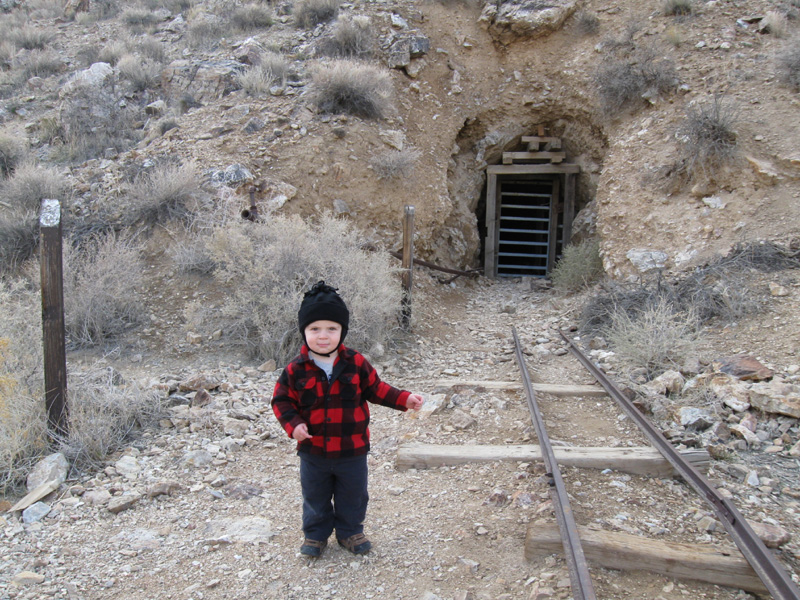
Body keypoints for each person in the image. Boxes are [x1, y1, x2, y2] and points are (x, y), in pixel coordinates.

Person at [271, 281, 424, 558]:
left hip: (352, 450)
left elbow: (377, 389)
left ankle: (350, 532)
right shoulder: (295, 369)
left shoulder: (356, 363)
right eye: (314, 329)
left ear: (343, 331)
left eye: (332, 328)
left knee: (353, 495)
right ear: (303, 331)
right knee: (315, 496)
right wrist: (293, 426)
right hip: (313, 451)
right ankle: (315, 536)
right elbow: (281, 401)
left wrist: (404, 399)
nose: (323, 336)